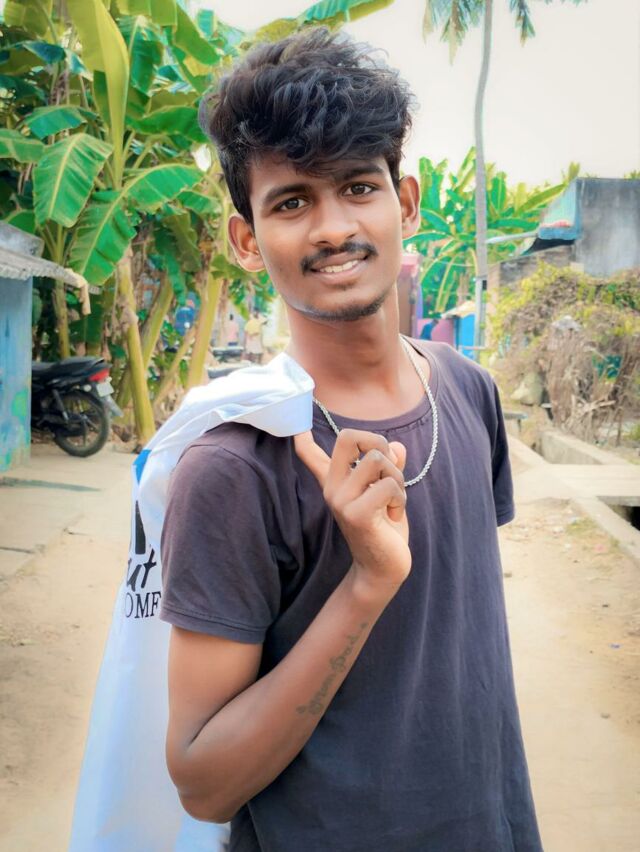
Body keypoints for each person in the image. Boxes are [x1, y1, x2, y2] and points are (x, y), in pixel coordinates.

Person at [160, 28, 543, 852]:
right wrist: (367, 585)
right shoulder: (234, 466)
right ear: (246, 239)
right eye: (291, 202)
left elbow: (455, 652)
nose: (333, 228)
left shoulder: (468, 392)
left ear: (405, 203)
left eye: (358, 187)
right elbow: (203, 782)